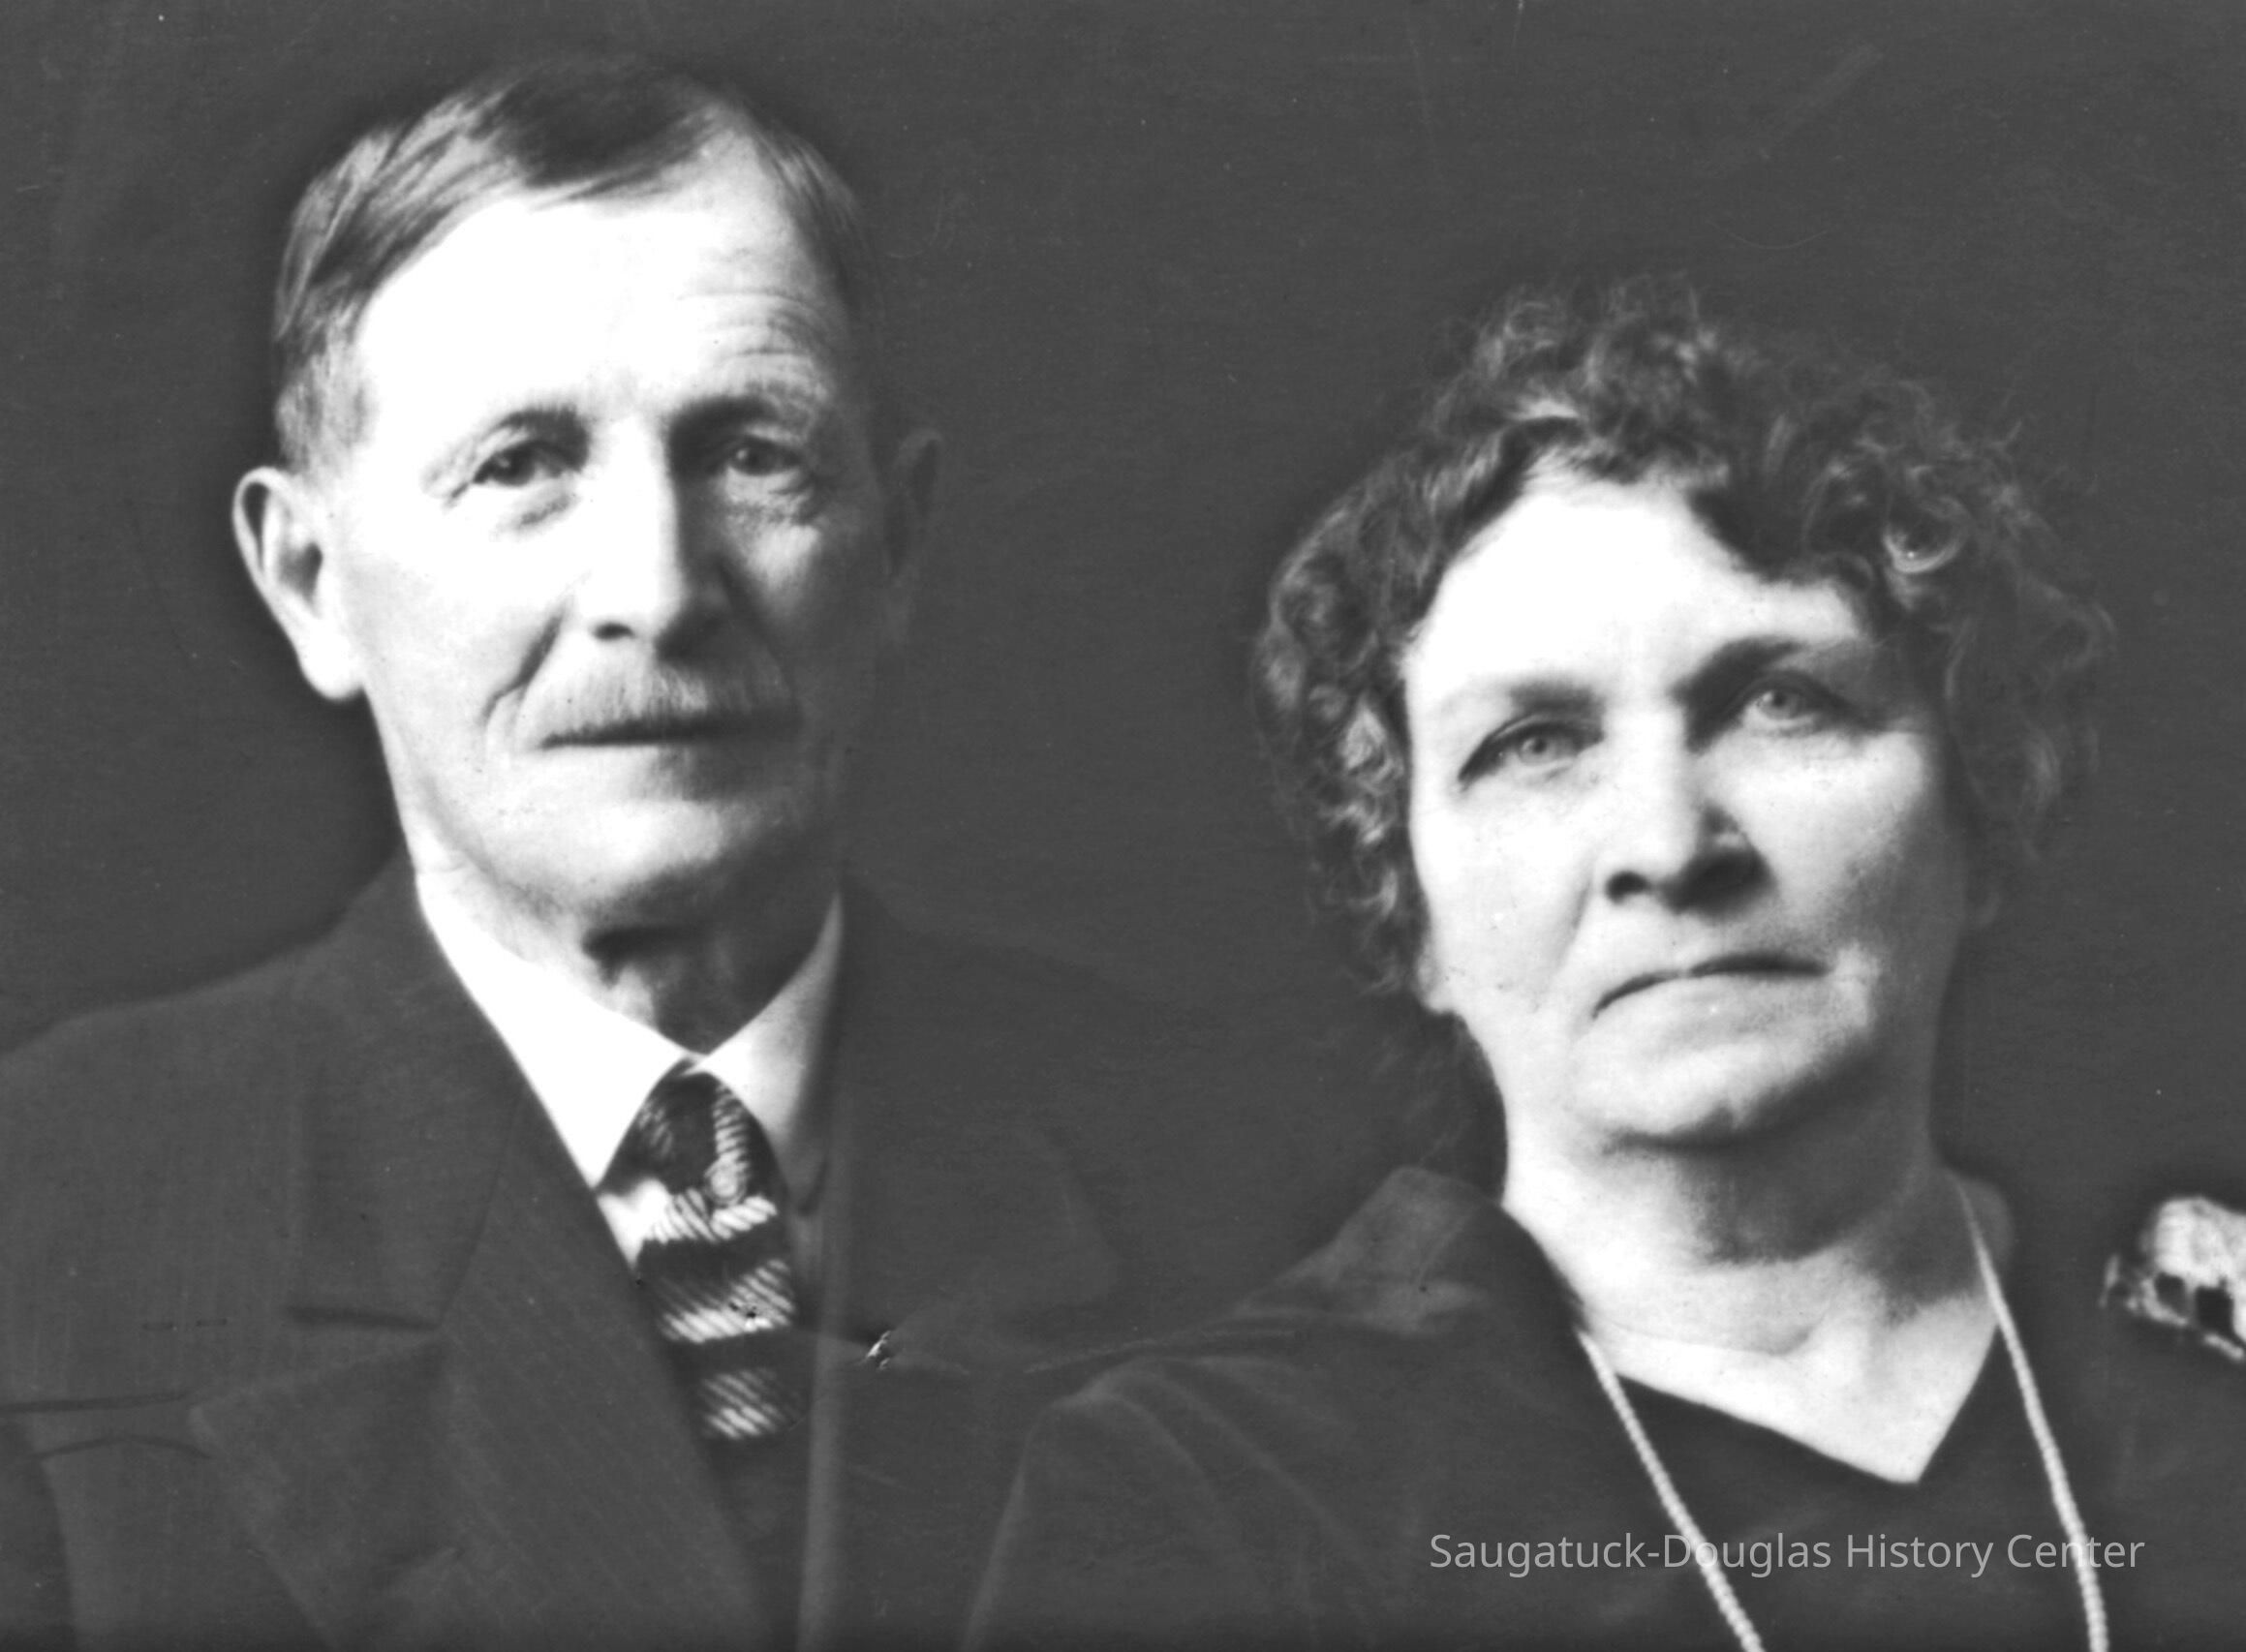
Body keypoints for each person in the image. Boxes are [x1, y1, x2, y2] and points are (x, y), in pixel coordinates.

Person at [0, 53, 1353, 1651]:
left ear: (898, 542)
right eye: (520, 465)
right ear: (310, 580)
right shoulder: (50, 1217)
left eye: (752, 452)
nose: (658, 589)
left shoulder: (1267, 1190)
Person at [969, 283, 2246, 1650]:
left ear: (1981, 800)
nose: (1669, 845)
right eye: (1533, 743)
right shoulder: (1216, 1489)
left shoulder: (2200, 1370)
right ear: (1406, 907)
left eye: (1784, 700)